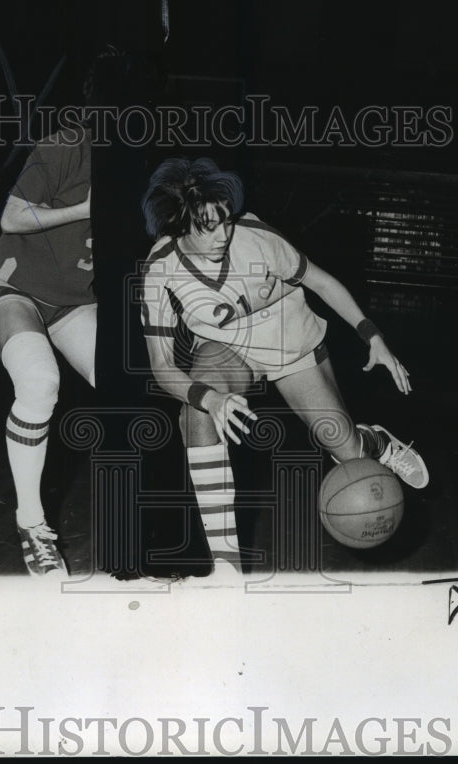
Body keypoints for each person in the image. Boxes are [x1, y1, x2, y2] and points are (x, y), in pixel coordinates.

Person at [138, 157, 429, 576]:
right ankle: (226, 567)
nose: (223, 234)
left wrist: (373, 336)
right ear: (180, 227)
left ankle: (373, 442)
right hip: (228, 352)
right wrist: (211, 398)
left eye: (226, 220)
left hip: (290, 346)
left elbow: (323, 282)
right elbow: (162, 367)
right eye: (209, 226)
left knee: (345, 451)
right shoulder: (159, 270)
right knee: (197, 412)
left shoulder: (256, 237)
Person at [0, 123, 95, 578]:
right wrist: (86, 208)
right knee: (39, 382)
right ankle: (31, 523)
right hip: (15, 288)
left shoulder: (149, 165)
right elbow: (12, 216)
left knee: (132, 388)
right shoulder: (66, 144)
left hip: (76, 300)